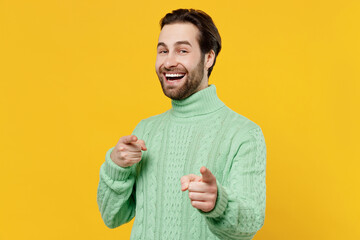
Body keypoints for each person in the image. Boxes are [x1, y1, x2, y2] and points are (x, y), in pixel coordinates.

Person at [97, 9, 266, 240]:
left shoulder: (244, 133)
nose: (169, 62)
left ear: (209, 58)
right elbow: (111, 217)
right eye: (163, 51)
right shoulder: (145, 130)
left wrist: (218, 203)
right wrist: (116, 166)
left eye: (182, 50)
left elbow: (251, 222)